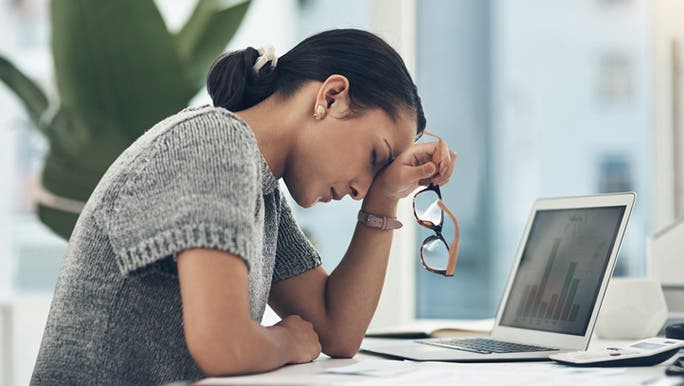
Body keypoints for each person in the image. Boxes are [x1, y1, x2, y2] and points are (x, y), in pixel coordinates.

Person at [31, 28, 456, 385]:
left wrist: (386, 197)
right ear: (332, 95)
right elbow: (223, 345)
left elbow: (336, 331)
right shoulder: (216, 142)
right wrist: (289, 340)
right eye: (375, 158)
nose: (363, 189)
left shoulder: (263, 190)